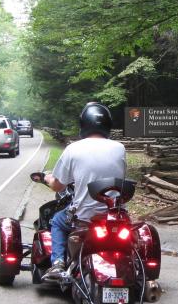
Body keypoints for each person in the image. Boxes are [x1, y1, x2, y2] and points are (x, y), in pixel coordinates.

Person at [42, 102, 127, 281]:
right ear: (108, 125)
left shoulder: (73, 149)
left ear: (84, 124)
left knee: (57, 221)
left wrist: (48, 178)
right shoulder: (120, 148)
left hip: (84, 218)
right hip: (114, 217)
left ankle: (58, 263)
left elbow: (58, 186)